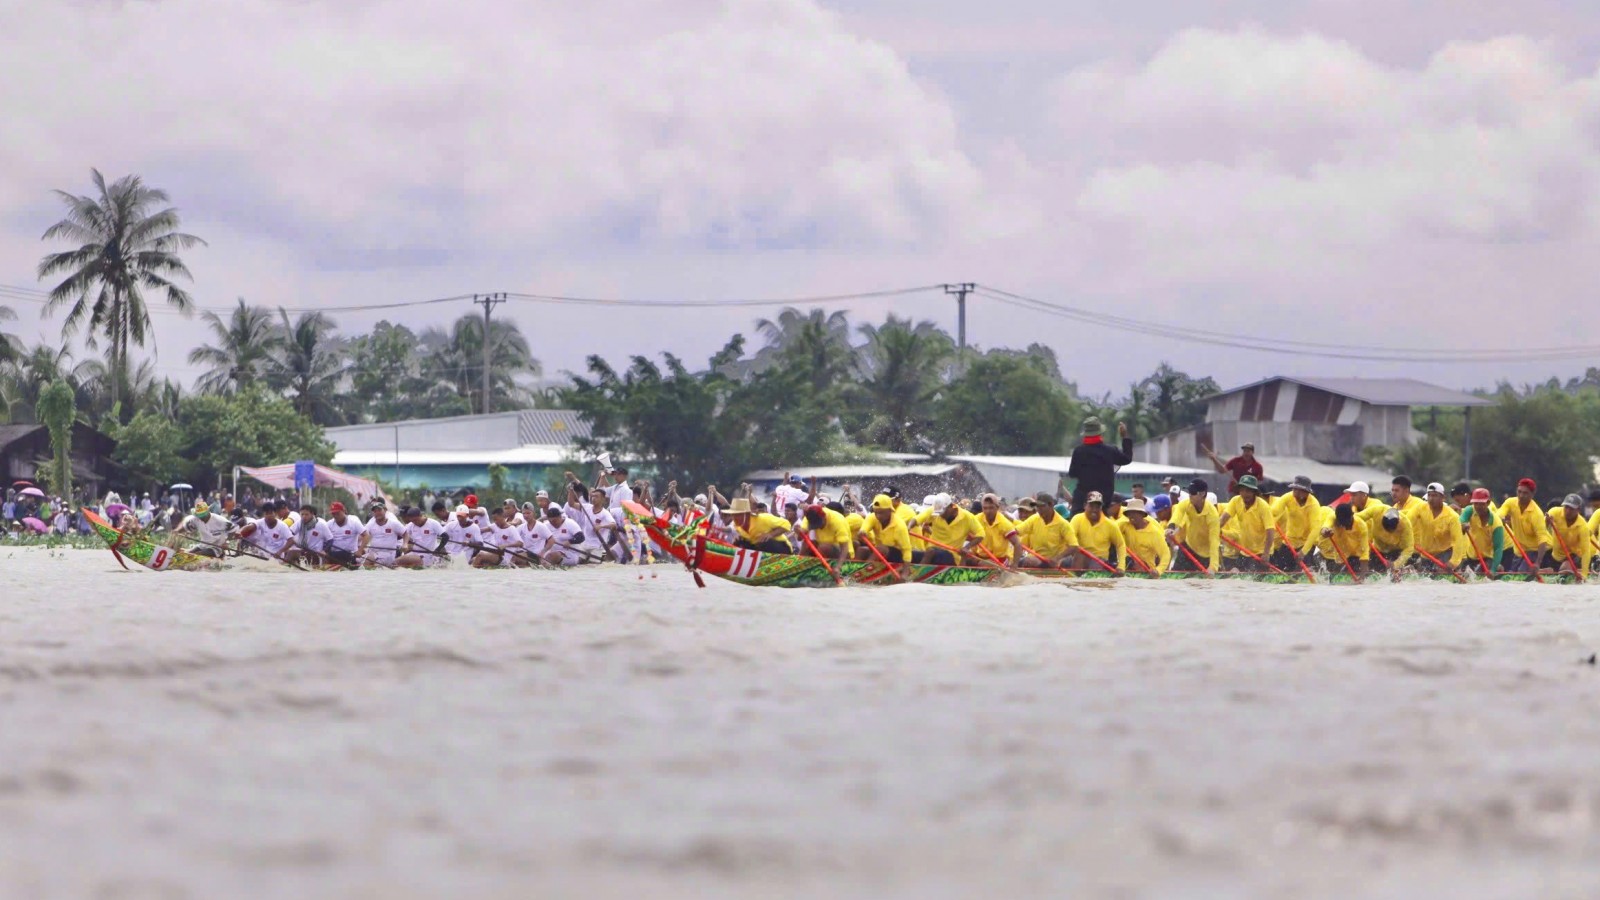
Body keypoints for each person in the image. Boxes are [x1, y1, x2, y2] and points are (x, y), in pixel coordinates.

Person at [1067, 417, 1133, 515]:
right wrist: (1125, 437)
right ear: (1100, 433)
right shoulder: (1110, 451)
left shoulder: (1078, 451)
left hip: (1082, 501)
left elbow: (1072, 473)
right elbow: (1127, 458)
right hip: (1103, 502)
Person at [1218, 474, 1274, 571]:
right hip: (1245, 550)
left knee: (1254, 576)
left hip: (1261, 551)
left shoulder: (1263, 506)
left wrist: (1266, 553)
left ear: (1254, 492)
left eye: (1248, 491)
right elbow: (1223, 518)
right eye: (1242, 490)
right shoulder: (1235, 501)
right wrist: (1216, 529)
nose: (1245, 494)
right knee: (1235, 573)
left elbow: (1270, 532)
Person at [1497, 478, 1550, 572]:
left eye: (1525, 493)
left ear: (1532, 494)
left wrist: (1537, 563)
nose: (1521, 496)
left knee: (1521, 573)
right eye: (1519, 492)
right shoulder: (1510, 502)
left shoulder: (1536, 514)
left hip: (1536, 550)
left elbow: (1542, 540)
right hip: (1519, 550)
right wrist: (1501, 518)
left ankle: (1545, 571)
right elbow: (1500, 512)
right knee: (1512, 574)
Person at [916, 493, 985, 565]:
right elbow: (916, 520)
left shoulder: (968, 517)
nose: (940, 515)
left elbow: (981, 534)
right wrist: (909, 528)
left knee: (931, 551)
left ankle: (919, 571)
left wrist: (967, 547)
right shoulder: (931, 516)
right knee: (913, 554)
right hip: (932, 552)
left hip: (951, 555)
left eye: (942, 512)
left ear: (950, 507)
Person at [1269, 475, 1321, 571]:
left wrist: (1303, 552)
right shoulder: (1287, 497)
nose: (1294, 491)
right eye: (1294, 488)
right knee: (1280, 569)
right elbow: (1274, 512)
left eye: (1298, 489)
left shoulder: (1314, 505)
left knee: (1302, 571)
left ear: (1306, 492)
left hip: (1306, 542)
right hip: (1289, 540)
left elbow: (1315, 530)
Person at [1169, 479, 1220, 573]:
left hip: (1205, 554)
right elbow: (1178, 514)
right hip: (1188, 547)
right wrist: (1171, 528)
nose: (1190, 495)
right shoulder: (1187, 503)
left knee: (1204, 580)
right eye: (1189, 492)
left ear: (1202, 494)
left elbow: (1214, 542)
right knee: (1175, 575)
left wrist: (1213, 566)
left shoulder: (1212, 514)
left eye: (1193, 492)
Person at [1017, 492, 1079, 570]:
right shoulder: (1034, 519)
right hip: (1037, 558)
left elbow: (1074, 546)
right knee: (1023, 561)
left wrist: (1058, 558)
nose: (1039, 510)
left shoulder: (1063, 524)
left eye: (1042, 507)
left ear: (1051, 505)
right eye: (1037, 507)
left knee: (1068, 562)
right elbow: (1016, 531)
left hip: (1057, 560)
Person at [1411, 483, 1463, 573]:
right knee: (1424, 577)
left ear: (1443, 498)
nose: (1431, 499)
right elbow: (1407, 522)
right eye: (1429, 495)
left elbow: (1458, 541)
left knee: (1439, 574)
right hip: (1426, 554)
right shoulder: (1420, 508)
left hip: (1445, 552)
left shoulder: (1452, 516)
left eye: (1435, 495)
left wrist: (1453, 562)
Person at [1070, 491, 1126, 573]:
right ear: (1085, 506)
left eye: (1097, 507)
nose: (1094, 510)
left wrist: (1121, 566)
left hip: (1100, 560)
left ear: (1101, 507)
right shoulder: (1077, 519)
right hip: (1080, 556)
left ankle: (1087, 577)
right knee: (1078, 555)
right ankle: (1076, 576)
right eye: (1091, 506)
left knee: (1093, 562)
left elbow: (1120, 545)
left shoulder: (1110, 524)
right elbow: (1069, 540)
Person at [1311, 503, 1369, 579]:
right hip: (1339, 555)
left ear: (1352, 515)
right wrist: (1326, 532)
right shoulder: (1333, 517)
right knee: (1330, 575)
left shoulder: (1362, 526)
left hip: (1354, 555)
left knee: (1358, 569)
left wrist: (1362, 578)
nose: (1343, 525)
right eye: (1341, 522)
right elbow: (1325, 528)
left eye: (1346, 522)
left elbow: (1364, 554)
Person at [1458, 488, 1506, 575]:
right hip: (1471, 556)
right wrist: (1462, 525)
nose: (1478, 507)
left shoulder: (1496, 523)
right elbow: (1461, 520)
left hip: (1487, 558)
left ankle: (1497, 567)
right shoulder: (1470, 510)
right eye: (1476, 503)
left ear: (1488, 503)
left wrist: (1493, 570)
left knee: (1478, 575)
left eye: (1481, 504)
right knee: (1462, 578)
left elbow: (1498, 549)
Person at [1546, 493, 1594, 580]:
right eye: (1566, 507)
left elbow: (1585, 552)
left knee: (1564, 568)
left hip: (1573, 556)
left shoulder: (1583, 526)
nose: (1568, 511)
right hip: (1555, 555)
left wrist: (1584, 575)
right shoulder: (1554, 512)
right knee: (1547, 569)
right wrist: (1547, 522)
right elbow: (1542, 530)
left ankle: (1569, 571)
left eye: (1571, 508)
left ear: (1578, 510)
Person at [1119, 498, 1170, 574]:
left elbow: (1165, 554)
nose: (1131, 516)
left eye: (1134, 513)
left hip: (1147, 569)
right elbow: (1110, 531)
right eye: (1129, 513)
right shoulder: (1124, 525)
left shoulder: (1154, 533)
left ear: (1142, 515)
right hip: (1129, 563)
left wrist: (1158, 570)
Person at [857, 494, 913, 564]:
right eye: (876, 512)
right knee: (862, 550)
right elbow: (864, 528)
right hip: (879, 551)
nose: (878, 516)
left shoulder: (899, 525)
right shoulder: (872, 517)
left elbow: (906, 550)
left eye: (881, 513)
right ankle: (854, 569)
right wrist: (862, 532)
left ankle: (866, 568)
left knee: (880, 548)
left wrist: (906, 569)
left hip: (897, 556)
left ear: (889, 510)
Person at [725, 498, 793, 554]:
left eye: (737, 515)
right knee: (739, 542)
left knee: (764, 541)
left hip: (782, 548)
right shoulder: (737, 526)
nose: (734, 518)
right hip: (759, 549)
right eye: (732, 515)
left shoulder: (762, 518)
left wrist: (770, 534)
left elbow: (786, 524)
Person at [974, 493, 1025, 567]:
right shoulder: (976, 519)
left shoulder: (1004, 523)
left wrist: (1015, 564)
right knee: (964, 559)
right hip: (980, 557)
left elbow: (1017, 544)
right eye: (985, 508)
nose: (988, 511)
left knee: (983, 564)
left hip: (1000, 559)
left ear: (997, 508)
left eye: (991, 508)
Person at [358, 500, 404, 568]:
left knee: (369, 559)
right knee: (356, 559)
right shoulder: (371, 523)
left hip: (389, 554)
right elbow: (362, 535)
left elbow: (405, 533)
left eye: (379, 510)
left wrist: (405, 544)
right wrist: (358, 548)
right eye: (375, 511)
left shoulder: (393, 522)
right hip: (373, 553)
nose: (377, 513)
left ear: (385, 510)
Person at [1370, 509, 1416, 574]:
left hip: (1398, 550)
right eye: (1387, 529)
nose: (1389, 532)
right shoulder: (1376, 516)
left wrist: (1395, 564)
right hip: (1379, 550)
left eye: (1391, 530)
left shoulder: (1406, 524)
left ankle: (1407, 570)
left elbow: (1409, 548)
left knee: (1397, 569)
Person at [322, 502, 364, 568]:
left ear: (344, 511)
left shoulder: (354, 522)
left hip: (350, 554)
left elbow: (366, 535)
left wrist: (360, 551)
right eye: (333, 514)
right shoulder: (329, 524)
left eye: (337, 513)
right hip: (334, 555)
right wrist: (324, 551)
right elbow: (322, 537)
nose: (335, 516)